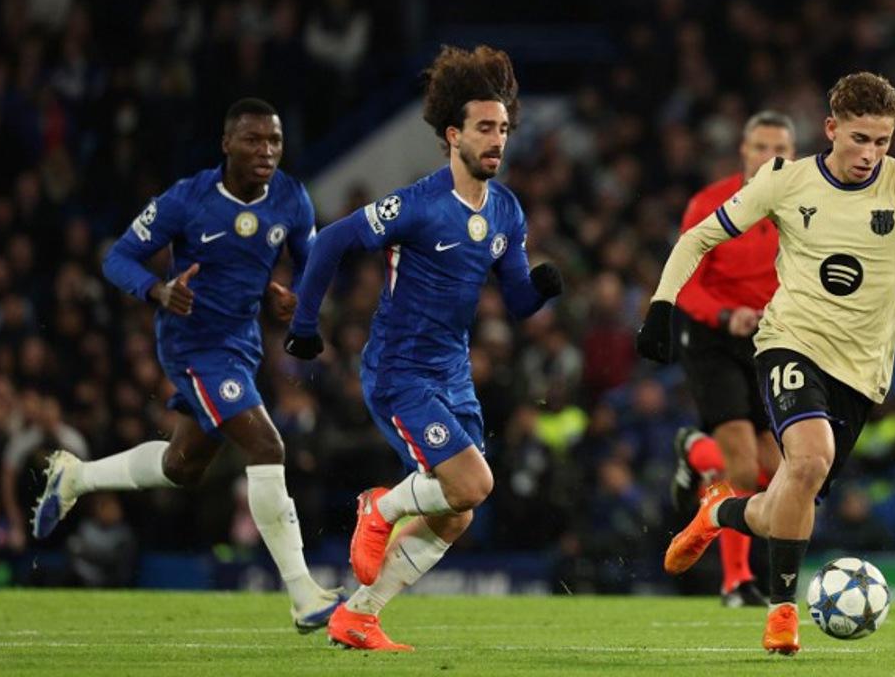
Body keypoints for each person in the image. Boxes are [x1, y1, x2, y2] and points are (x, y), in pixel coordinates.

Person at [636, 72, 895, 655]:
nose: (870, 153)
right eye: (859, 139)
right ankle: (782, 613)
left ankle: (718, 511)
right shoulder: (786, 180)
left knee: (787, 496)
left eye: (882, 141)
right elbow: (698, 237)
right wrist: (661, 306)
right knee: (808, 460)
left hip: (862, 371)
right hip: (790, 341)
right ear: (831, 129)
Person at [284, 45, 563, 652]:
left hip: (452, 374)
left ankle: (359, 615)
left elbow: (517, 299)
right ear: (453, 135)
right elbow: (331, 242)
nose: (497, 140)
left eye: (503, 129)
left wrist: (541, 290)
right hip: (400, 370)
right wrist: (305, 324)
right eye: (485, 128)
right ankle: (380, 507)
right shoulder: (417, 205)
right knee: (474, 483)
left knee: (458, 510)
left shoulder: (506, 211)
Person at [32, 98, 342, 632]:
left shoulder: (291, 197)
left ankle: (76, 476)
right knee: (267, 446)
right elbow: (116, 257)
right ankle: (303, 594)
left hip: (241, 344)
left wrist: (296, 298)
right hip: (193, 344)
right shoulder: (188, 199)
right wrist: (158, 289)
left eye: (274, 140)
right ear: (226, 144)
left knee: (183, 466)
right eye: (253, 140)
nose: (266, 151)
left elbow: (311, 261)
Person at [670, 110, 795, 608]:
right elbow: (685, 279)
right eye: (761, 147)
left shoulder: (803, 209)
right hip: (711, 337)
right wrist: (726, 316)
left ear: (793, 156)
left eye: (780, 150)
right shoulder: (710, 204)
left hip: (767, 340)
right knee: (742, 467)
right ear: (744, 151)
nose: (770, 157)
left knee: (777, 473)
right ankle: (736, 583)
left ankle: (695, 451)